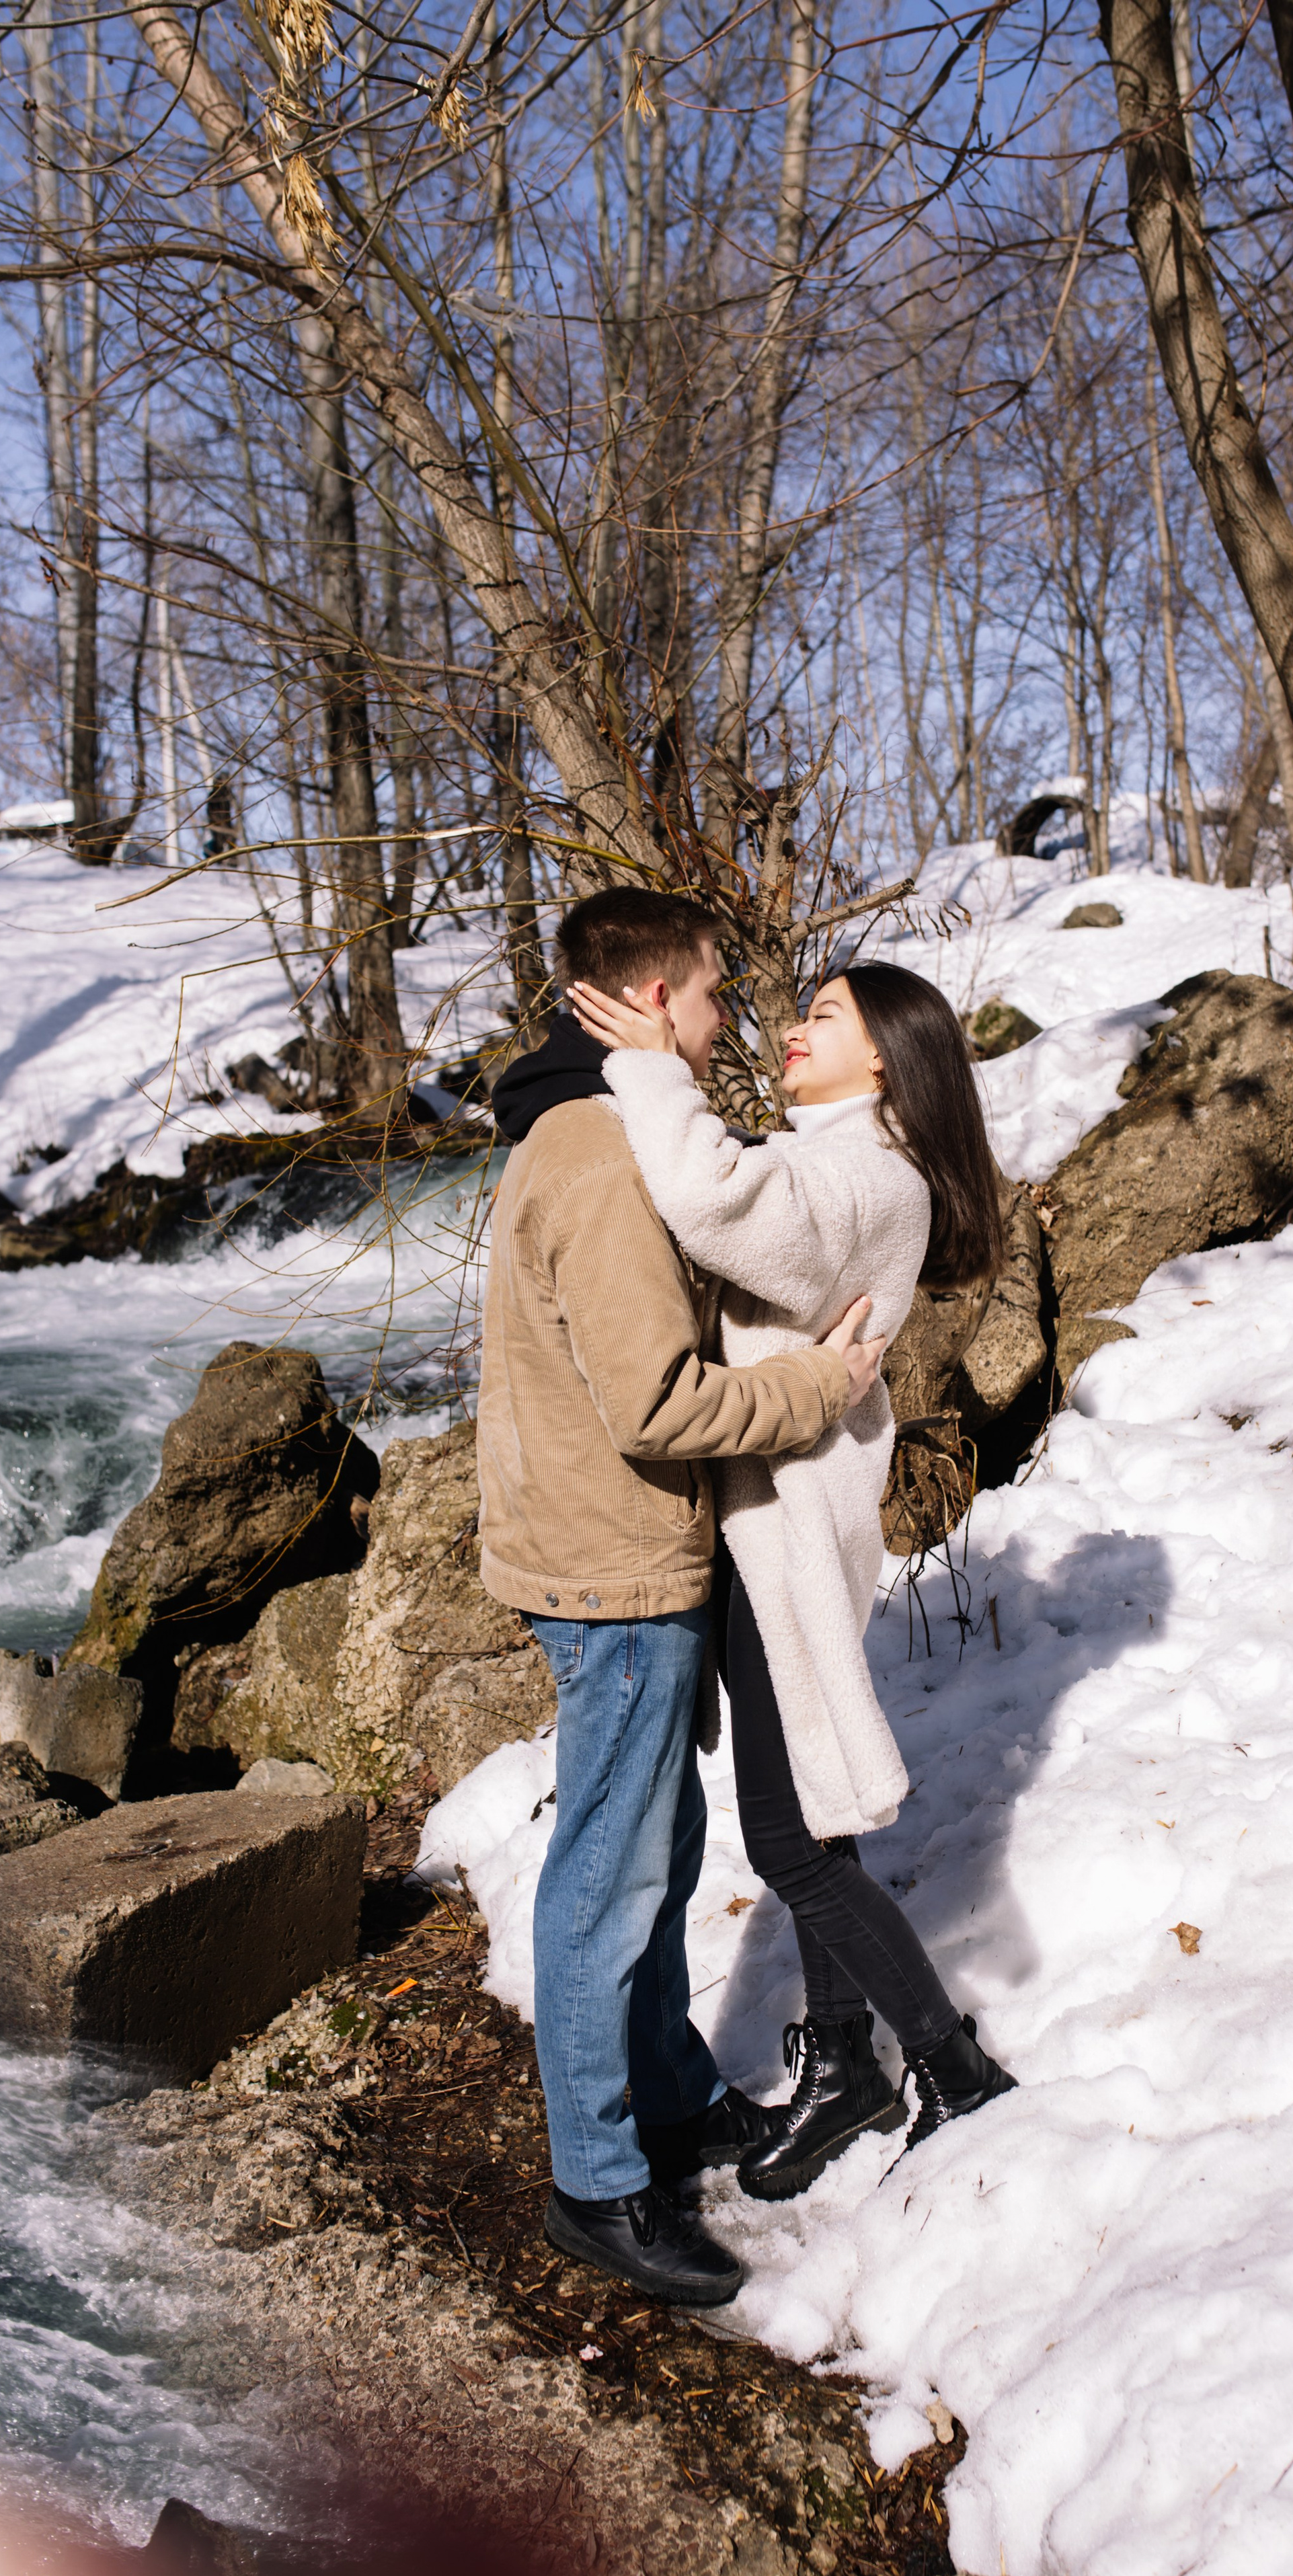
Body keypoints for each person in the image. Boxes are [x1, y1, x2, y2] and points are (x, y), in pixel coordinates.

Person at [477, 886, 887, 2305]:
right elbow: (655, 1405)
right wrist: (819, 1386)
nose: (726, 1021)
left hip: (614, 1555)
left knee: (650, 1845)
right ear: (651, 1001)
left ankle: (666, 2096)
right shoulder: (596, 1156)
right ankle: (599, 2186)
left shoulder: (588, 1127)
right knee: (610, 1874)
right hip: (614, 1566)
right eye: (712, 993)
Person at [568, 958, 1019, 2202]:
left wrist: (653, 1069)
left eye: (823, 1016)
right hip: (771, 1522)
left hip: (791, 1535)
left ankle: (947, 2063)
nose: (790, 1030)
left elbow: (719, 1205)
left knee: (792, 1838)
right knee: (809, 1812)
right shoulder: (837, 1156)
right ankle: (843, 2066)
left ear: (887, 1056)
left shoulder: (866, 1172)